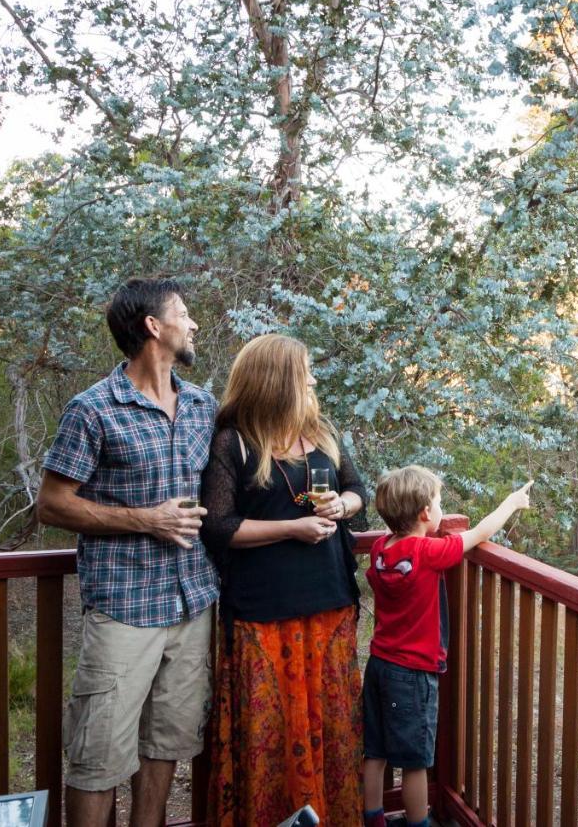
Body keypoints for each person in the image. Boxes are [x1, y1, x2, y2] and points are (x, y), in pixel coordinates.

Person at [37, 278, 218, 827]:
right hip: (123, 611)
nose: (192, 325)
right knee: (97, 756)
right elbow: (51, 504)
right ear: (153, 327)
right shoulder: (92, 410)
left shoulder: (202, 406)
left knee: (166, 744)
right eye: (183, 314)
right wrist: (148, 520)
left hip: (192, 607)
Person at [200, 333, 369, 827]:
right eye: (306, 370)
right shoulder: (234, 443)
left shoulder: (321, 433)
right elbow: (219, 526)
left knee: (331, 726)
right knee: (269, 731)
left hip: (330, 603)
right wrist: (292, 528)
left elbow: (359, 490)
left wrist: (345, 505)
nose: (314, 378)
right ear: (279, 379)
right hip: (262, 612)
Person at [362, 467, 532, 827]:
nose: (442, 508)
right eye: (439, 502)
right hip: (413, 672)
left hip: (378, 665)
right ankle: (419, 823)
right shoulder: (427, 552)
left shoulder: (380, 550)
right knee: (414, 762)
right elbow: (480, 532)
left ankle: (373, 819)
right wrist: (512, 503)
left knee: (375, 752)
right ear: (425, 513)